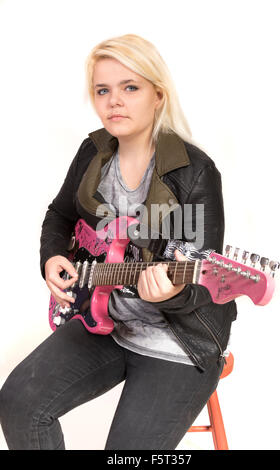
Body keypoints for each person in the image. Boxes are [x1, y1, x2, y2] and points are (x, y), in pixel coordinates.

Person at [0, 33, 237, 450]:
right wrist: (52, 256)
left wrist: (174, 289)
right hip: (102, 316)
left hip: (176, 338)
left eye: (130, 87)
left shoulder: (195, 171)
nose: (114, 101)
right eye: (103, 90)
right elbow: (60, 214)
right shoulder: (93, 152)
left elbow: (203, 276)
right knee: (19, 404)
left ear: (158, 95)